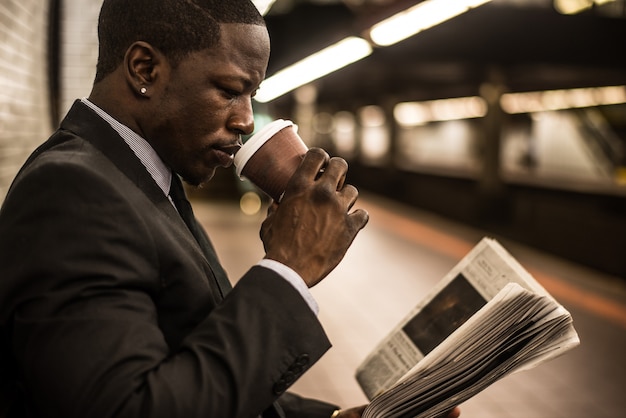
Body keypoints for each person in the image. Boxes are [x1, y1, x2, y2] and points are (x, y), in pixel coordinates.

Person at [0, 1, 460, 417]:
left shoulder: (137, 178)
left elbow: (190, 366)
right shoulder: (72, 192)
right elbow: (133, 406)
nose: (244, 120)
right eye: (229, 91)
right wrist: (288, 268)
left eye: (251, 97)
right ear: (144, 69)